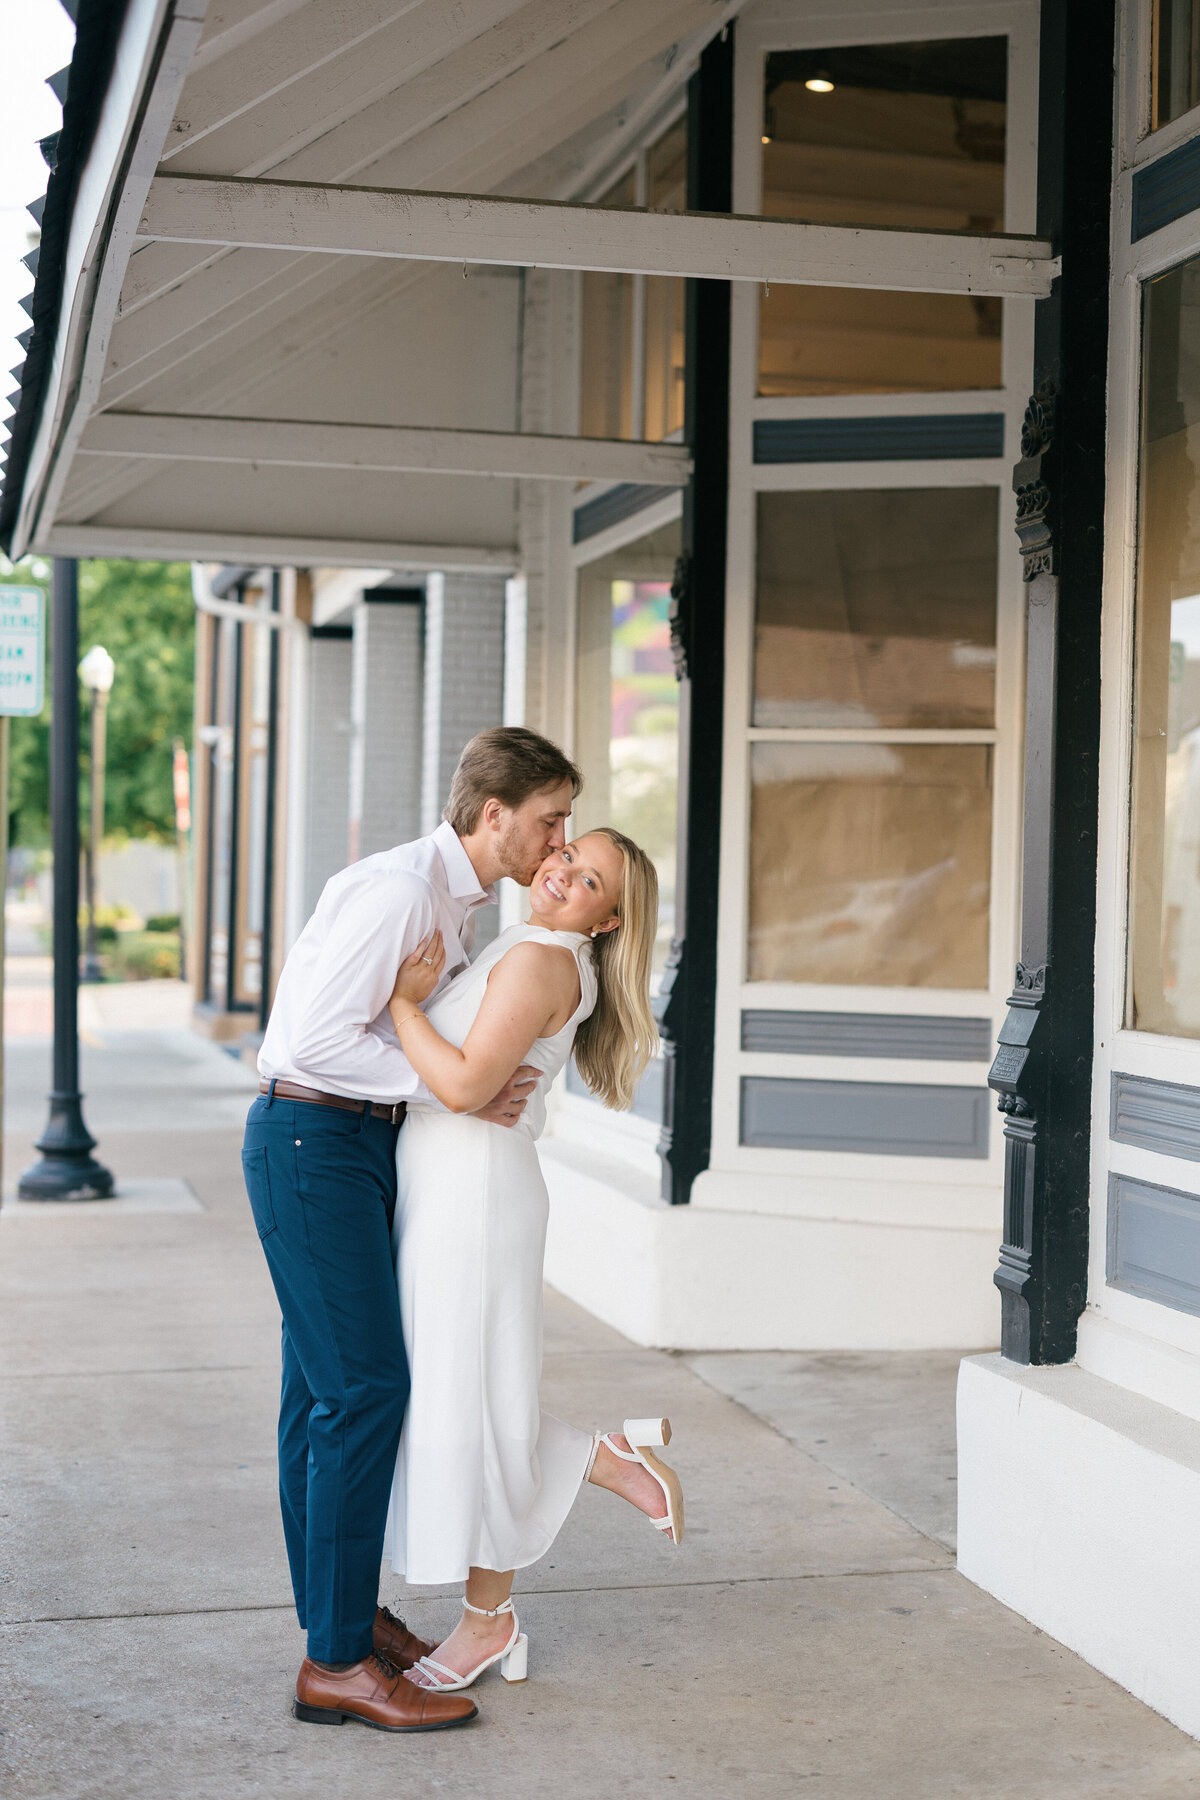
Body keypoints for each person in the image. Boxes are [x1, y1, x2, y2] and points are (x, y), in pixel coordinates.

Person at [242, 727, 582, 1733]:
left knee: (320, 1393)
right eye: (550, 819)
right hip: (314, 1139)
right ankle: (335, 1664)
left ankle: (339, 1625)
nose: (558, 841)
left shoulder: (458, 910)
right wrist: (451, 1093)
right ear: (493, 815)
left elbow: (397, 1032)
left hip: (353, 1145)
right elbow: (310, 1041)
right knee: (364, 1390)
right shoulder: (400, 891)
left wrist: (434, 1083)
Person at [380, 826, 685, 1693]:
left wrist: (406, 1006)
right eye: (566, 856)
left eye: (587, 879)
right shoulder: (533, 948)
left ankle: (489, 1621)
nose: (559, 872)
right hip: (455, 1189)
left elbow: (469, 1086)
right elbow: (470, 1078)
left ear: (611, 919)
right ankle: (597, 1460)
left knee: (465, 1401)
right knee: (461, 1396)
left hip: (470, 1198)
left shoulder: (545, 958)